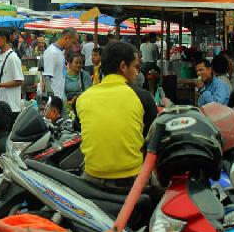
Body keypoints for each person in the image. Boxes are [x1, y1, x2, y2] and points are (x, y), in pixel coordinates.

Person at [75, 41, 157, 192]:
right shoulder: (143, 97)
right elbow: (152, 143)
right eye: (135, 67)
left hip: (91, 179)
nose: (137, 72)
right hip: (131, 181)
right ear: (123, 67)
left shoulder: (83, 98)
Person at [43, 28, 79, 102]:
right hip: (54, 99)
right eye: (73, 42)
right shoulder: (52, 52)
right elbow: (47, 78)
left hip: (60, 97)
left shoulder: (60, 52)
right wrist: (52, 100)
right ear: (66, 38)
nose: (73, 46)